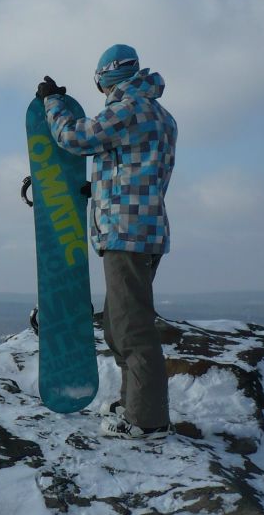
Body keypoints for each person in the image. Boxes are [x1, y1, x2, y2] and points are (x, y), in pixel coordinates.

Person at [35, 44, 177, 440]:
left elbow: (74, 137)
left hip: (126, 234)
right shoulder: (163, 117)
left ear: (107, 77)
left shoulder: (128, 109)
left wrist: (52, 103)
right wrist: (94, 187)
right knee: (118, 326)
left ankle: (147, 421)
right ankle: (134, 403)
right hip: (146, 231)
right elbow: (131, 169)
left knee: (132, 329)